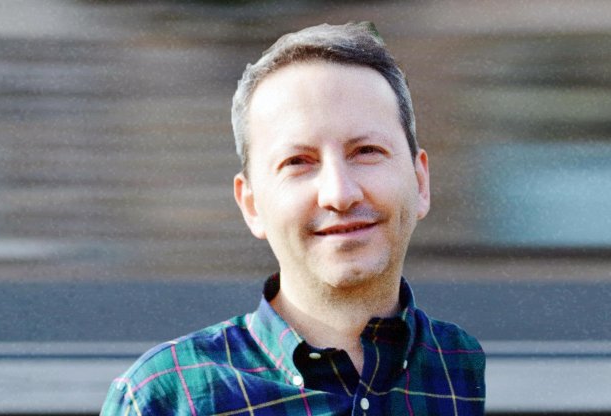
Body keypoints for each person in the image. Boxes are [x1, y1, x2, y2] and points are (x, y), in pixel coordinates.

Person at [101, 21, 485, 415]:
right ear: (251, 205)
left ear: (420, 182)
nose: (340, 194)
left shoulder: (461, 365)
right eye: (298, 162)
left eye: (367, 151)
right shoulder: (165, 397)